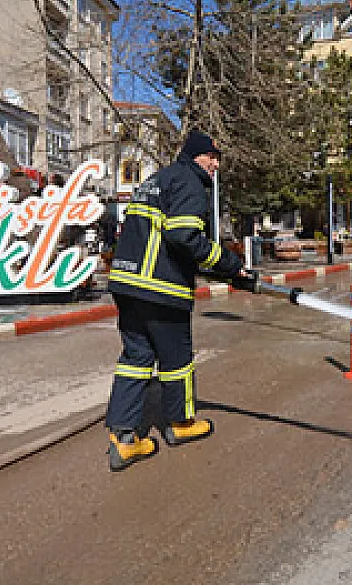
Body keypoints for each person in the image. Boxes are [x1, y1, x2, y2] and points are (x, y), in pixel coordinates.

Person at [104, 130, 254, 472]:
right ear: (195, 156)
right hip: (160, 289)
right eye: (211, 157)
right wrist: (232, 266)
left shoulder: (157, 179)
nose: (215, 164)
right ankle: (180, 423)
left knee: (136, 357)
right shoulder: (189, 182)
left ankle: (123, 438)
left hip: (127, 283)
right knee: (176, 361)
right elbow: (184, 237)